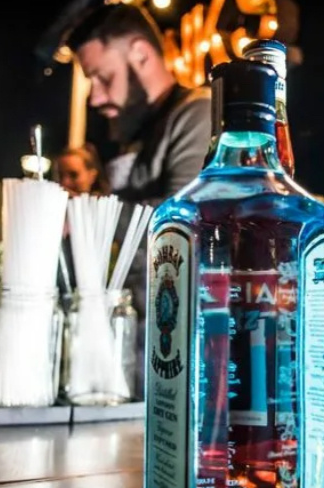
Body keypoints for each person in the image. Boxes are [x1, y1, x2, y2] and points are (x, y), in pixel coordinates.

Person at [64, 2, 213, 321]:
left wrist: (83, 214)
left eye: (103, 77)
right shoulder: (137, 130)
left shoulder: (196, 113)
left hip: (178, 326)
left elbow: (182, 222)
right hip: (135, 321)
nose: (95, 98)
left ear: (141, 55)